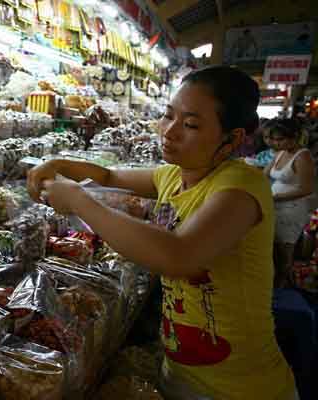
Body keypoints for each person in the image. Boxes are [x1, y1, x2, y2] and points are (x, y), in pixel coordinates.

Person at [27, 66, 295, 399]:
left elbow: (177, 255)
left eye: (191, 124)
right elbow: (108, 176)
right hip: (181, 369)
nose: (169, 131)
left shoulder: (241, 187)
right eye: (168, 115)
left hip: (239, 387)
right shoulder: (173, 175)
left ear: (233, 139)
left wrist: (79, 201)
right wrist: (59, 164)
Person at [264, 118, 315, 287]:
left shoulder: (303, 156)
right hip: (275, 204)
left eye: (280, 139)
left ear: (294, 137)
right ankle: (275, 282)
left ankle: (283, 286)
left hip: (292, 209)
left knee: (285, 250)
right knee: (274, 248)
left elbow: (307, 189)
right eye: (274, 139)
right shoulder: (281, 153)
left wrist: (277, 197)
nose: (276, 143)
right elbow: (264, 174)